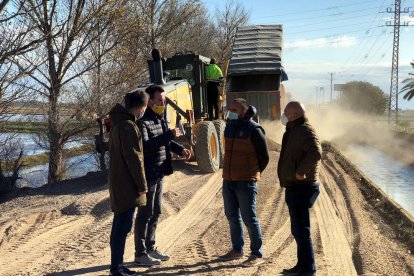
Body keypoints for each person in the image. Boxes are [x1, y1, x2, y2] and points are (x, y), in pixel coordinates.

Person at [134, 84, 191, 266]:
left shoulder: (160, 119)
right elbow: (148, 146)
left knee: (156, 212)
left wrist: (180, 149)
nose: (163, 103)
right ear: (149, 102)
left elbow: (166, 142)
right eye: (160, 100)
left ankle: (151, 249)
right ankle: (140, 253)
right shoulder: (143, 122)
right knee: (144, 214)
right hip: (149, 174)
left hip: (159, 173)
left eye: (164, 101)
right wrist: (168, 135)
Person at [219, 98, 269, 267]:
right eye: (229, 108)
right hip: (229, 180)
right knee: (232, 216)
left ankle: (256, 253)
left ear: (244, 110)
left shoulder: (254, 129)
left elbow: (265, 157)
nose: (230, 111)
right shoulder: (230, 126)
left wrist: (253, 173)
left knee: (249, 218)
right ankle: (237, 250)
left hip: (246, 181)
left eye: (234, 109)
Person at [277, 101, 322, 276]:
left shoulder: (304, 130)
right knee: (298, 230)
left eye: (286, 112)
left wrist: (300, 172)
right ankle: (301, 266)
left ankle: (308, 269)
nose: (283, 115)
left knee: (302, 230)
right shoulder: (294, 129)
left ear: (295, 115)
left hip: (302, 187)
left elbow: (316, 152)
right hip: (295, 187)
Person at [108, 90, 149, 276]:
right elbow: (135, 159)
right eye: (145, 107)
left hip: (119, 183)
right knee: (122, 227)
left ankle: (117, 266)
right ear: (141, 107)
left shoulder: (118, 124)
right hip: (127, 186)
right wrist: (142, 186)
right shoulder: (128, 126)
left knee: (119, 226)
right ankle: (116, 268)